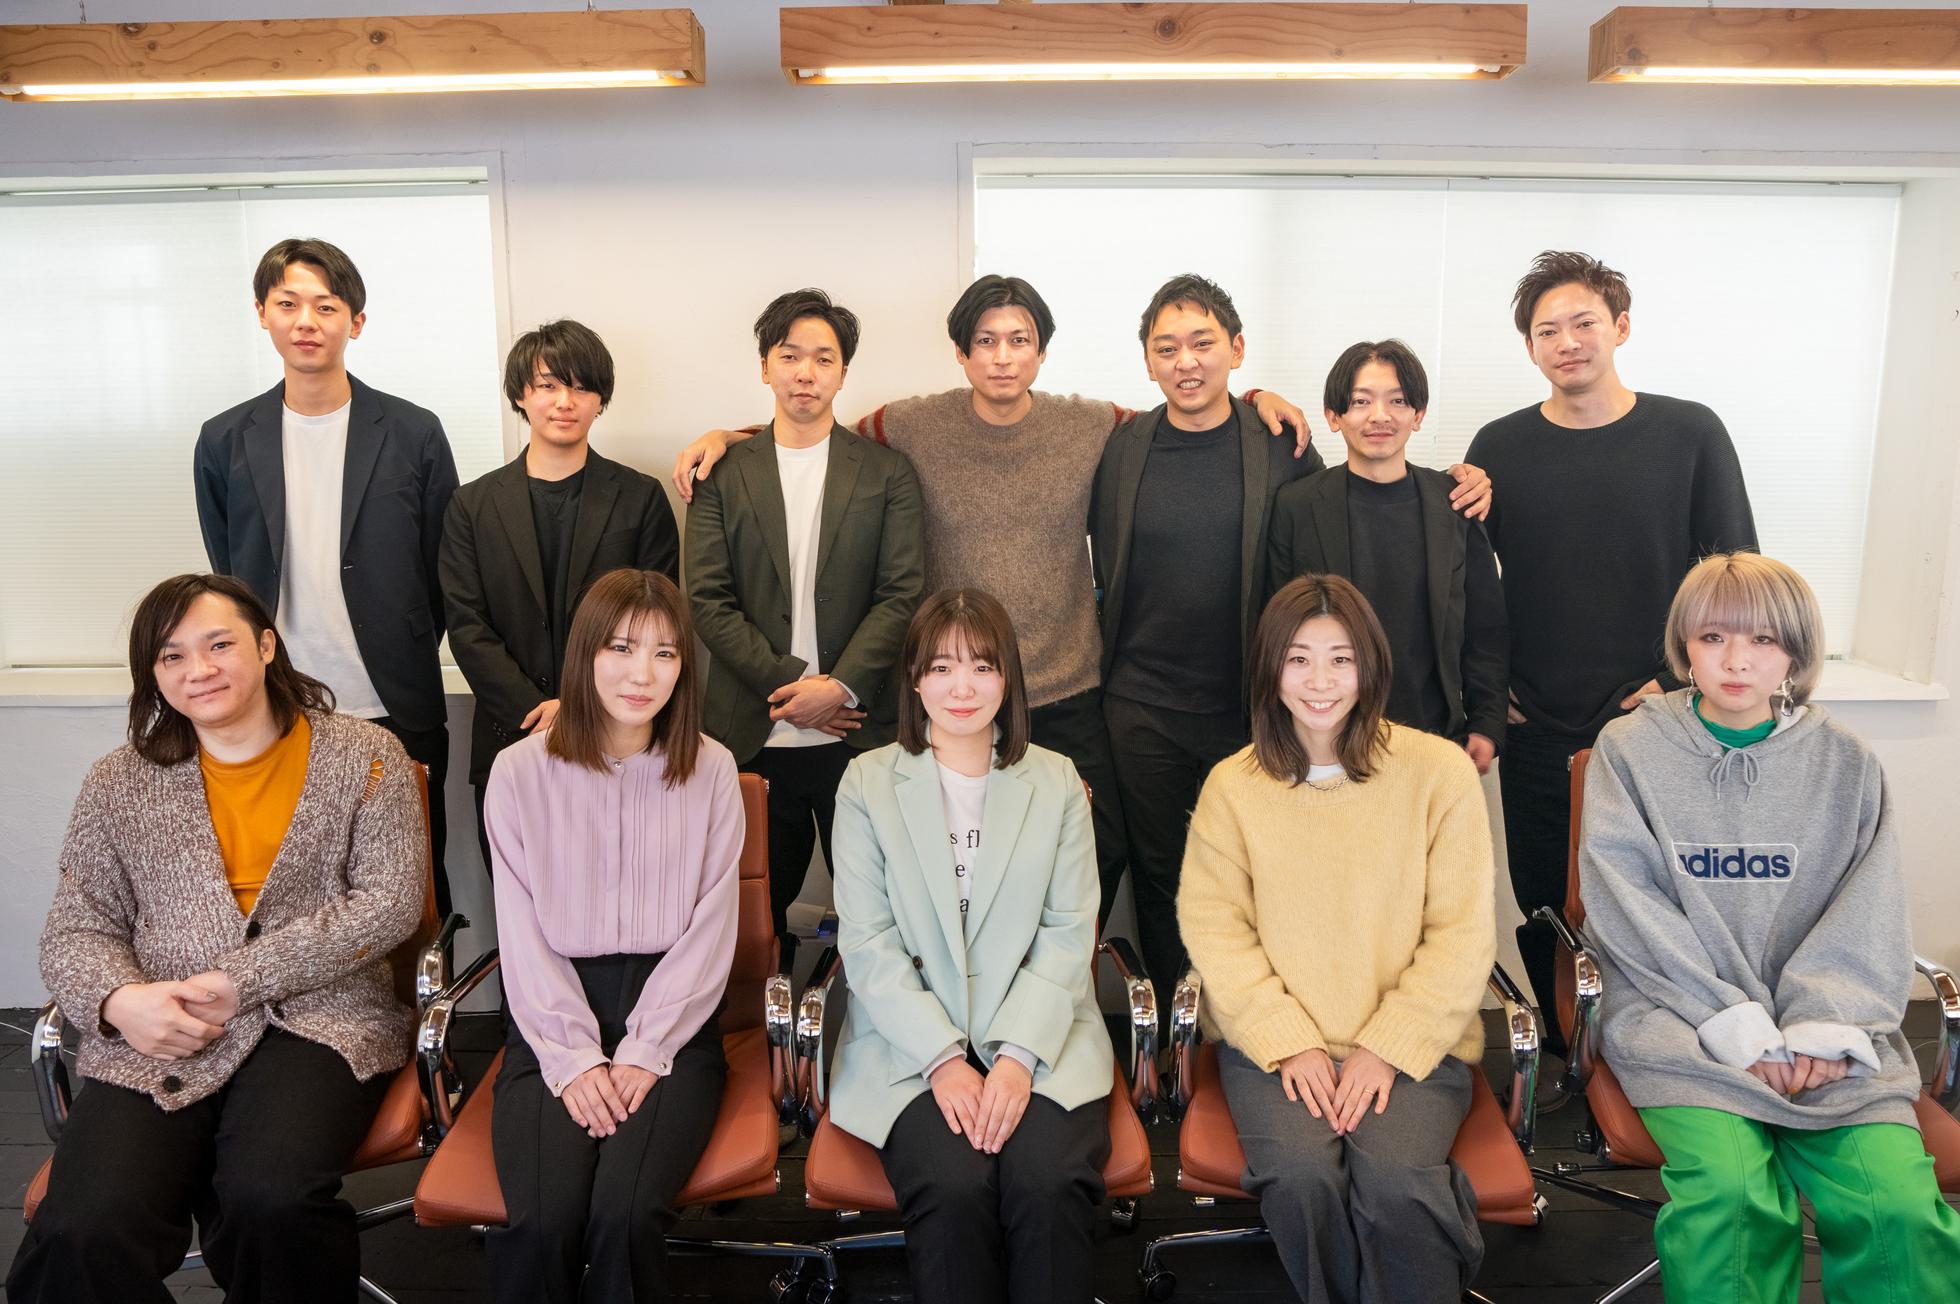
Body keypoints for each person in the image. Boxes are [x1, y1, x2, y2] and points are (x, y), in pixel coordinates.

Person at [671, 274, 1324, 927]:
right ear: (961, 353)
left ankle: (1057, 982)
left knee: (1100, 851)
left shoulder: (1090, 425)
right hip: (954, 695)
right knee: (955, 872)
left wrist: (1256, 398)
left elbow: (1184, 411)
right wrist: (731, 439)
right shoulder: (913, 424)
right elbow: (816, 437)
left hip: (1067, 691)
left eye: (1019, 340)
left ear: (1042, 352)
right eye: (985, 342)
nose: (1003, 357)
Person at [7, 573, 427, 1304]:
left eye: (219, 645)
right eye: (171, 656)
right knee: (84, 1224)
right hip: (160, 1027)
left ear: (265, 646)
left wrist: (244, 979)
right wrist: (119, 1002)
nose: (198, 670)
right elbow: (77, 926)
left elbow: (389, 904)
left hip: (321, 1018)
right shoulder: (118, 782)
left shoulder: (366, 754)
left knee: (269, 1197)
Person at [1094, 275, 1492, 1001]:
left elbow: (1340, 531)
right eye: (1167, 348)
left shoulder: (1282, 444)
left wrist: (1465, 480)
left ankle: (1253, 1025)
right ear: (1147, 361)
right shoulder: (1120, 445)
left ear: (1237, 348)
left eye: (1203, 343)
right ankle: (1182, 1035)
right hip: (1143, 703)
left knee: (1265, 875)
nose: (1186, 361)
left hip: (1253, 706)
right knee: (1162, 870)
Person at [1579, 552, 1960, 1301]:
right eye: (1713, 637)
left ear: (1795, 652)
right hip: (1678, 1014)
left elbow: (1869, 909)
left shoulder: (1845, 761)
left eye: (1762, 639)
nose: (1736, 661)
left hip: (1826, 1029)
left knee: (1896, 1207)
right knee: (1732, 1197)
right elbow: (1628, 905)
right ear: (1684, 646)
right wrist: (1735, 1027)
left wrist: (1820, 1027)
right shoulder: (1629, 750)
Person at [1465, 250, 1757, 1050]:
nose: (1567, 342)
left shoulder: (1690, 433)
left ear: (1620, 327)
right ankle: (1569, 1059)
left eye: (1583, 322)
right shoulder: (1500, 445)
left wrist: (1675, 681)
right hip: (1535, 721)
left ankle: (1662, 1054)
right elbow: (1464, 585)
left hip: (1659, 717)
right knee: (1545, 900)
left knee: (1666, 897)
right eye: (1546, 330)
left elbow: (1736, 576)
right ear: (1530, 347)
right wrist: (1489, 689)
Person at [1178, 574, 1496, 1304]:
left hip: (1413, 1048)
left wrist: (1388, 1046)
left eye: (1341, 659)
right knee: (1302, 1178)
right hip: (1275, 1051)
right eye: (1298, 659)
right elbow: (1215, 929)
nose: (1320, 681)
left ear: (1370, 666)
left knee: (1396, 1182)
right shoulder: (1233, 786)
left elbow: (1461, 932)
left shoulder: (1438, 773)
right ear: (1271, 669)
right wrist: (1287, 1040)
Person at [827, 588, 1115, 1304]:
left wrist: (1016, 1059)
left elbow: (1069, 931)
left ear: (1008, 677)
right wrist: (942, 1060)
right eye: (942, 667)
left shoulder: (1055, 780)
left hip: (1041, 1039)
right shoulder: (867, 783)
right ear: (915, 678)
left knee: (1047, 1182)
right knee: (953, 1187)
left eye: (983, 667)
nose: (962, 687)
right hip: (910, 1048)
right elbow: (868, 941)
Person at [483, 567, 743, 1303]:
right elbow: (522, 934)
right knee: (544, 1219)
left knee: (624, 1216)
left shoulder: (712, 768)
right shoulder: (518, 772)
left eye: (665, 653)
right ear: (585, 654)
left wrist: (648, 1047)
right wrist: (572, 1058)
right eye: (622, 648)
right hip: (550, 1017)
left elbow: (711, 928)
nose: (642, 674)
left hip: (674, 1018)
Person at [193, 237, 462, 910]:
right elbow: (229, 572)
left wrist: (403, 642)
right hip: (277, 704)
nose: (306, 321)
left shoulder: (414, 432)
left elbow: (444, 569)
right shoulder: (224, 439)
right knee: (290, 884)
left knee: (415, 883)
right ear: (262, 313)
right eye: (288, 304)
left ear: (356, 322)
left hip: (395, 701)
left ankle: (427, 985)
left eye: (326, 305)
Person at [684, 288, 925, 966]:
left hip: (859, 732)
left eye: (823, 358)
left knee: (883, 915)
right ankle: (767, 1030)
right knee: (751, 925)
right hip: (751, 734)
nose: (805, 373)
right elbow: (707, 600)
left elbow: (901, 594)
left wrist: (839, 687)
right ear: (765, 367)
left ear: (843, 372)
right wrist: (799, 687)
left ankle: (874, 1029)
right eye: (789, 356)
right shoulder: (721, 473)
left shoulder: (886, 473)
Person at [440, 319, 680, 878]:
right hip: (511, 738)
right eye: (548, 385)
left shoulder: (640, 498)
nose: (564, 402)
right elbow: (466, 625)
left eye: (581, 387)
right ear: (521, 394)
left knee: (627, 894)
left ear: (601, 399)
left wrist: (582, 709)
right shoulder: (472, 506)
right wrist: (535, 709)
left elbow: (658, 622)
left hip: (620, 738)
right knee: (520, 902)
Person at [1266, 339, 1507, 773]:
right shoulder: (1296, 505)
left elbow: (1484, 628)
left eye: (1397, 401)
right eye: (1361, 401)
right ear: (1333, 416)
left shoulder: (1455, 502)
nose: (1380, 415)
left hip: (1435, 736)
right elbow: (1274, 628)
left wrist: (1487, 723)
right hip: (1324, 738)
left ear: (1419, 415)